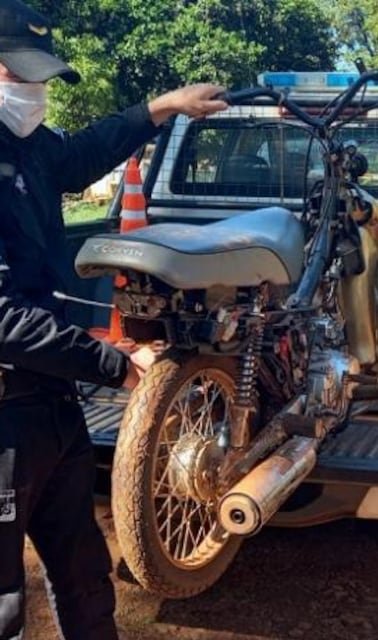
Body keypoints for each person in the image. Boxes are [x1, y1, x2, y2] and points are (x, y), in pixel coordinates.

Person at [0, 1, 228, 637]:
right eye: (20, 77)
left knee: (85, 581)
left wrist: (162, 107)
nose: (34, 92)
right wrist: (116, 365)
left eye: (40, 78)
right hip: (3, 417)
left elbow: (83, 152)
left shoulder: (34, 148)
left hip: (52, 401)